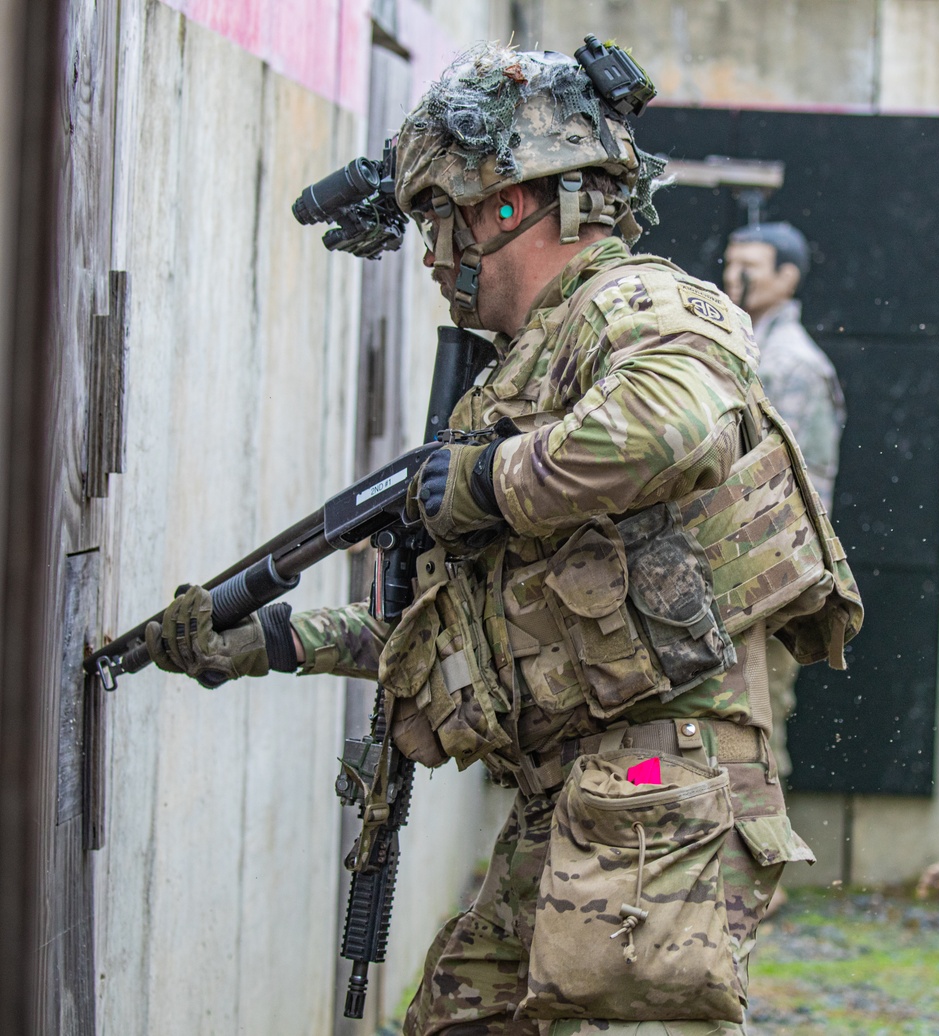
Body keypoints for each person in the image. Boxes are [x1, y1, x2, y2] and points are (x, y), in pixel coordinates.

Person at [146, 42, 861, 1036]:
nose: (433, 253)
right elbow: (470, 632)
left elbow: (675, 421)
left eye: (441, 217)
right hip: (580, 800)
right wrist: (279, 641)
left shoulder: (636, 306)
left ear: (514, 205)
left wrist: (487, 477)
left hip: (656, 795)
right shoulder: (525, 371)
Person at [722, 223, 846, 782]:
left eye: (750, 266)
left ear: (787, 277)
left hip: (767, 580)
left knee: (756, 728)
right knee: (702, 732)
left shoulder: (796, 365)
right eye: (729, 263)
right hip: (722, 577)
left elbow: (802, 487)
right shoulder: (735, 344)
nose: (733, 276)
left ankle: (759, 860)